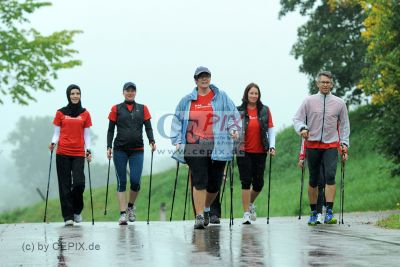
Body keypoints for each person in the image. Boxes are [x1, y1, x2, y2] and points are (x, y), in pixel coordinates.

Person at [171, 66, 241, 229]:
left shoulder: (221, 97)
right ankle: (200, 215)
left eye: (207, 76)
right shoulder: (187, 100)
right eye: (200, 76)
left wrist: (233, 129)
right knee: (199, 179)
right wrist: (177, 140)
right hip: (193, 144)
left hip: (218, 145)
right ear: (195, 80)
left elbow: (233, 115)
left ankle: (207, 208)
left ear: (210, 78)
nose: (204, 79)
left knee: (215, 183)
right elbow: (177, 119)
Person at [293, 71, 349, 225]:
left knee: (330, 176)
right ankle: (313, 212)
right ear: (317, 84)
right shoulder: (309, 101)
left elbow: (344, 125)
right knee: (313, 180)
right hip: (312, 144)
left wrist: (344, 144)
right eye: (322, 82)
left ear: (331, 84)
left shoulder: (339, 103)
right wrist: (302, 128)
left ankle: (329, 212)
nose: (325, 85)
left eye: (328, 82)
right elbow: (297, 119)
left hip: (331, 145)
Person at [107, 82, 156, 225]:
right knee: (121, 181)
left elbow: (148, 127)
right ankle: (122, 214)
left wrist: (151, 140)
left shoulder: (143, 108)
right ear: (123, 92)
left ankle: (130, 207)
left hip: (137, 151)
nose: (130, 93)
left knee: (135, 181)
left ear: (135, 93)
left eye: (132, 91)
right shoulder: (116, 109)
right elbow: (110, 130)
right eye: (127, 91)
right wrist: (108, 146)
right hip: (119, 150)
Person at [49, 84, 92, 226]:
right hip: (62, 153)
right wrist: (53, 143)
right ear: (68, 95)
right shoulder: (60, 113)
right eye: (72, 93)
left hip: (79, 153)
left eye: (77, 93)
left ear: (80, 95)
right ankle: (68, 216)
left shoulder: (85, 113)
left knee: (79, 183)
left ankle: (77, 211)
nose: (75, 96)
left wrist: (88, 150)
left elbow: (87, 134)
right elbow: (56, 133)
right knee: (64, 185)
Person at [236, 83, 276, 224]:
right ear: (246, 94)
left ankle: (250, 203)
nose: (254, 96)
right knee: (246, 182)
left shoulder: (264, 110)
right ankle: (246, 213)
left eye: (256, 93)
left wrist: (272, 146)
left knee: (258, 184)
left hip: (260, 151)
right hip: (243, 151)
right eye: (251, 93)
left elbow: (270, 129)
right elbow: (231, 129)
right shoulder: (238, 110)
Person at [298, 139, 326, 224]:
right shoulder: (308, 126)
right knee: (319, 183)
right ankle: (318, 213)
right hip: (313, 153)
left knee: (326, 181)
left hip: (327, 151)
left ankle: (325, 206)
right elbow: (304, 141)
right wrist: (302, 157)